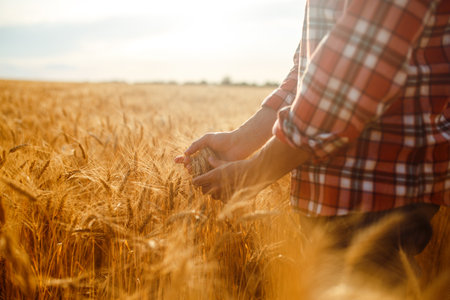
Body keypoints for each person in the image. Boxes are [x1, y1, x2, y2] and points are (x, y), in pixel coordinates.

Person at [175, 0, 449, 284]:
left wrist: (254, 172)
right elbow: (309, 73)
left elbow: (348, 74)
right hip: (336, 194)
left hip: (375, 190)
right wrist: (240, 141)